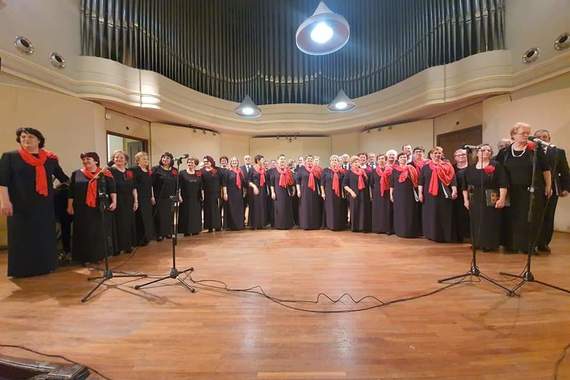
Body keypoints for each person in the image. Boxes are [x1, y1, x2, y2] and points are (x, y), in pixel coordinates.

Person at [0, 128, 68, 277]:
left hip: (44, 205)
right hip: (19, 204)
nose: (26, 140)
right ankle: (22, 270)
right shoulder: (10, 157)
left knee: (43, 235)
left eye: (30, 137)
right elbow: (2, 182)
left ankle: (45, 266)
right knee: (21, 237)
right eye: (23, 137)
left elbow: (64, 178)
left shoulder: (50, 159)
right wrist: (5, 202)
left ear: (39, 140)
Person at [496, 123, 552, 253]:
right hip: (512, 192)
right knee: (512, 218)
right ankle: (512, 245)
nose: (526, 135)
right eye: (523, 133)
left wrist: (548, 186)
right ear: (513, 135)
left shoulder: (535, 150)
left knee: (530, 218)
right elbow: (498, 171)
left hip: (532, 191)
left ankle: (529, 246)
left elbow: (546, 170)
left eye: (528, 133)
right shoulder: (505, 152)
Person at [67, 152, 116, 264]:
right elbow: (71, 192)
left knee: (98, 232)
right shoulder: (76, 174)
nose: (85, 161)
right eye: (83, 159)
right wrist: (69, 206)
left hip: (99, 207)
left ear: (96, 161)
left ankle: (98, 256)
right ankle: (84, 258)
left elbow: (112, 188)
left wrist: (114, 201)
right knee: (84, 232)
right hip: (81, 208)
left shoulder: (105, 173)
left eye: (88, 159)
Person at [462, 144, 508, 251]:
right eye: (483, 150)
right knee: (476, 220)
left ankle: (489, 244)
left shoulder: (496, 166)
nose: (486, 152)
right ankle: (477, 243)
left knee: (489, 220)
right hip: (475, 197)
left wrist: (502, 198)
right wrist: (466, 200)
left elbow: (503, 183)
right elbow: (465, 186)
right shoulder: (470, 168)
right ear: (477, 153)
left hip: (490, 196)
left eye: (489, 150)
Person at [533, 129, 570, 253]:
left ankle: (544, 243)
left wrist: (566, 188)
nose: (542, 139)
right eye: (539, 137)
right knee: (535, 216)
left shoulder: (558, 152)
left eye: (545, 137)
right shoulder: (531, 151)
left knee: (548, 216)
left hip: (553, 188)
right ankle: (533, 243)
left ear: (549, 138)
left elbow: (565, 171)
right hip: (535, 188)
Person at [418, 147, 458, 242]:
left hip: (444, 195)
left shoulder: (447, 166)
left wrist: (454, 190)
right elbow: (421, 182)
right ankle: (431, 235)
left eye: (439, 153)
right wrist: (420, 193)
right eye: (435, 153)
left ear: (442, 155)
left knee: (444, 215)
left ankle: (444, 236)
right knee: (431, 215)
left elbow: (453, 179)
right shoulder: (425, 167)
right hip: (429, 195)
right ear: (431, 155)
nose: (437, 155)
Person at [109, 150, 137, 254]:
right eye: (116, 157)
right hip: (117, 200)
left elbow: (134, 187)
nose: (118, 159)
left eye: (121, 158)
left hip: (129, 199)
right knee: (118, 224)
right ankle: (117, 248)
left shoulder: (129, 172)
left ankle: (127, 245)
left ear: (126, 160)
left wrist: (136, 201)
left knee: (128, 223)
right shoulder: (110, 171)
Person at [390, 152, 421, 238]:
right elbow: (392, 183)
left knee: (409, 212)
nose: (403, 158)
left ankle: (410, 231)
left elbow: (416, 181)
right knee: (399, 212)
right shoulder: (394, 170)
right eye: (401, 157)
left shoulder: (411, 168)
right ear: (398, 159)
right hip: (398, 194)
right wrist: (391, 194)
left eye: (404, 157)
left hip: (409, 194)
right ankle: (400, 231)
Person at [152, 152, 177, 241]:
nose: (165, 159)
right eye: (163, 158)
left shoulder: (174, 170)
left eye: (167, 158)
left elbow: (177, 184)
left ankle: (168, 232)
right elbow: (151, 184)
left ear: (171, 160)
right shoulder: (156, 169)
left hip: (170, 197)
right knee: (160, 216)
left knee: (169, 216)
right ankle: (159, 234)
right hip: (159, 197)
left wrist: (177, 196)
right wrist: (152, 196)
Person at [132, 152, 156, 245]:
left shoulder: (148, 171)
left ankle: (147, 238)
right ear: (138, 161)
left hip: (147, 198)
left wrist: (152, 196)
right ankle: (140, 240)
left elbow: (150, 185)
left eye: (147, 159)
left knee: (147, 218)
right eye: (144, 159)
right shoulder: (135, 170)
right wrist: (136, 200)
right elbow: (134, 186)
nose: (146, 161)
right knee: (140, 219)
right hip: (140, 197)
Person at [343, 156, 372, 232]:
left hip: (364, 194)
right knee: (355, 210)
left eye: (358, 162)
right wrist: (351, 192)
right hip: (354, 194)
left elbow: (367, 183)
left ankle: (363, 227)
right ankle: (355, 227)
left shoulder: (363, 172)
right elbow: (344, 185)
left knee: (363, 210)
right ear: (351, 164)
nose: (356, 163)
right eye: (355, 162)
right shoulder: (348, 172)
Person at [296, 155, 322, 230]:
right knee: (305, 207)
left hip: (314, 192)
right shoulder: (301, 169)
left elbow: (319, 181)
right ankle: (305, 224)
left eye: (311, 160)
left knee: (314, 207)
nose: (309, 161)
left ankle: (315, 224)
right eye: (308, 160)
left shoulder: (316, 169)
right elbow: (298, 180)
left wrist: (320, 191)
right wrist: (298, 190)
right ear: (305, 161)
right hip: (304, 191)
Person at [320, 155, 346, 231]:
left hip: (339, 194)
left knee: (339, 209)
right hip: (329, 193)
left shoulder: (341, 171)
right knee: (330, 209)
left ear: (338, 162)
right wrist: (323, 193)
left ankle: (339, 225)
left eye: (336, 160)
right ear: (330, 161)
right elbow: (322, 183)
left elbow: (344, 184)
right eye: (333, 160)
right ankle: (330, 225)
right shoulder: (326, 170)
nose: (334, 161)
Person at [179, 157, 203, 236]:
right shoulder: (182, 173)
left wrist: (202, 194)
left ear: (195, 164)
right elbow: (178, 186)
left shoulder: (198, 173)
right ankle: (186, 231)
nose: (190, 164)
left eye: (192, 162)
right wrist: (179, 196)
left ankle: (196, 229)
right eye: (188, 162)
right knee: (186, 214)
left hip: (196, 197)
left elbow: (201, 185)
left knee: (195, 214)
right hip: (185, 198)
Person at [270, 154, 295, 230]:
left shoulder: (288, 171)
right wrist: (272, 192)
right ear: (278, 160)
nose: (282, 160)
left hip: (286, 192)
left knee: (286, 208)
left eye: (284, 159)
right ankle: (279, 225)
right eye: (281, 159)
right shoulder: (274, 171)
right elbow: (272, 184)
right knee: (279, 208)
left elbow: (292, 182)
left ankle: (287, 225)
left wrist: (293, 190)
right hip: (278, 192)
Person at [370, 154, 393, 234]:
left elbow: (392, 182)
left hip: (388, 193)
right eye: (379, 159)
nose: (381, 160)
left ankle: (388, 229)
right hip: (377, 194)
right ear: (377, 160)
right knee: (378, 211)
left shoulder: (391, 170)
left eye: (383, 158)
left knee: (388, 211)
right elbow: (372, 183)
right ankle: (378, 228)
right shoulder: (373, 171)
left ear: (386, 160)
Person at [222, 156, 245, 230]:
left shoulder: (240, 171)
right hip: (231, 193)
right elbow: (224, 183)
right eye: (233, 161)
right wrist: (225, 193)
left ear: (238, 162)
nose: (234, 162)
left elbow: (243, 182)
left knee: (239, 209)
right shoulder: (228, 171)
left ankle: (239, 225)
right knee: (231, 209)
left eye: (236, 161)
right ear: (231, 163)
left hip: (239, 193)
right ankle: (232, 226)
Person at [452, 148, 470, 242]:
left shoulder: (472, 167)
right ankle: (459, 236)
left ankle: (469, 236)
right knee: (458, 215)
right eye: (459, 155)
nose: (461, 156)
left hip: (470, 195)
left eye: (463, 154)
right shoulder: (452, 168)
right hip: (456, 196)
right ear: (455, 158)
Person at [247, 154, 268, 229]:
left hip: (263, 190)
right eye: (262, 160)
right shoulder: (252, 169)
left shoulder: (263, 169)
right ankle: (254, 224)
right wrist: (254, 187)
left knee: (262, 206)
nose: (263, 161)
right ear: (258, 160)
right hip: (255, 189)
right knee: (255, 207)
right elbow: (248, 181)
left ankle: (261, 224)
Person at [201, 155, 222, 232]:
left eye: (207, 161)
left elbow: (221, 181)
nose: (206, 163)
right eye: (204, 161)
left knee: (216, 210)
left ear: (211, 161)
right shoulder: (202, 171)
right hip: (207, 193)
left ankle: (217, 226)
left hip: (216, 193)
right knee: (208, 210)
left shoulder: (217, 170)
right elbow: (200, 183)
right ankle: (209, 227)